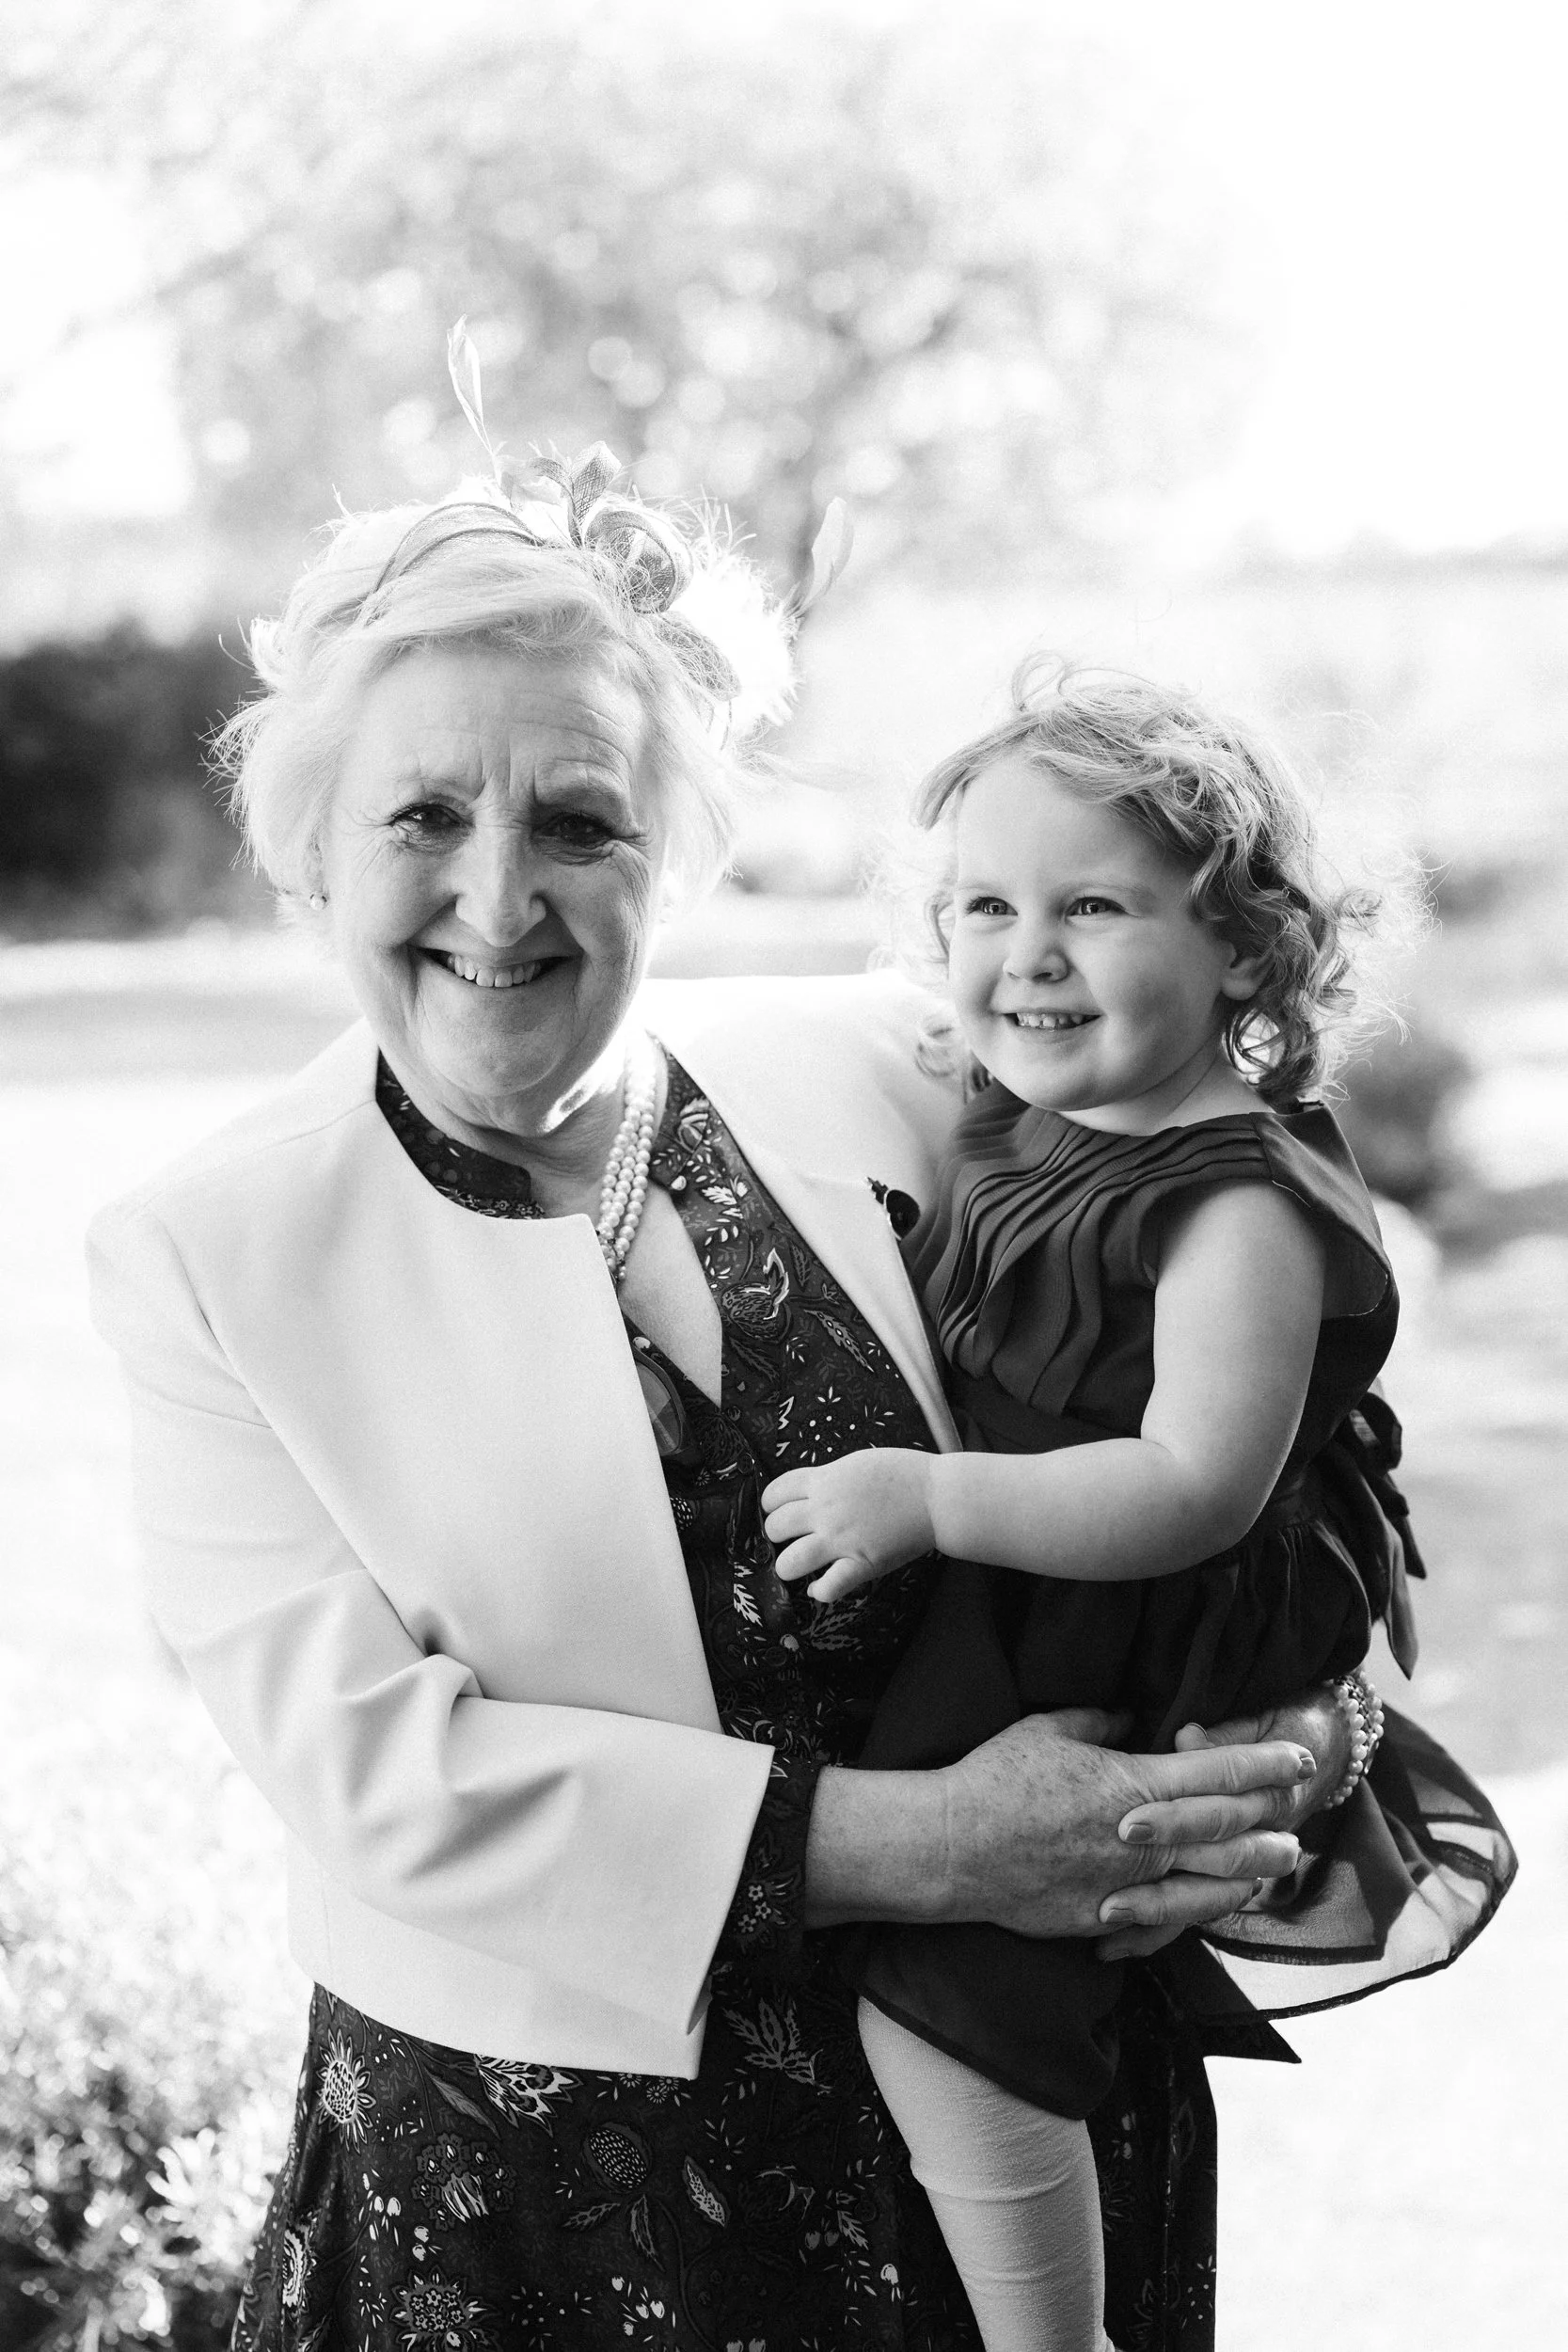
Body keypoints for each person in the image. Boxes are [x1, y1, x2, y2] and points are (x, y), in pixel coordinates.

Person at [85, 431, 1510, 2352]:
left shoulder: (918, 1065)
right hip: (559, 2210)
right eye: (423, 813)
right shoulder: (210, 1250)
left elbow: (1257, 1401)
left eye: (578, 821)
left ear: (672, 847)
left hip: (1025, 2140)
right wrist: (950, 1840)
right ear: (312, 844)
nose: (497, 900)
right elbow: (380, 1778)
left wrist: (1282, 1741)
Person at [760, 667, 1513, 2350]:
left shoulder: (1228, 1200)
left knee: (955, 2001)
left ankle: (1056, 2336)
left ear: (1243, 947)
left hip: (1121, 1610)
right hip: (1046, 1580)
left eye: (1090, 906)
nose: (1023, 952)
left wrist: (929, 1500)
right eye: (982, 906)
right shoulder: (1052, 1116)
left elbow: (1187, 1487)